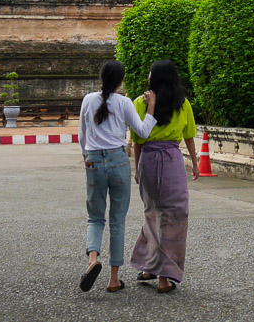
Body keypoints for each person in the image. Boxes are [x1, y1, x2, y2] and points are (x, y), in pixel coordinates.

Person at [78, 61, 157, 293]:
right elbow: (142, 131)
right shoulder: (123, 102)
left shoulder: (88, 99)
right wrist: (151, 106)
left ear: (101, 78)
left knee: (95, 217)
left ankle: (93, 259)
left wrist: (86, 155)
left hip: (93, 159)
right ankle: (113, 279)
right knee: (117, 220)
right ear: (121, 81)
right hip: (117, 160)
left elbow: (82, 134)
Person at [130, 59, 199, 294]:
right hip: (171, 159)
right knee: (175, 214)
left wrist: (137, 167)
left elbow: (137, 139)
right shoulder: (183, 103)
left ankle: (150, 266)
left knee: (152, 212)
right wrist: (196, 163)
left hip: (148, 159)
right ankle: (163, 277)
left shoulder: (140, 102)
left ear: (156, 78)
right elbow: (189, 136)